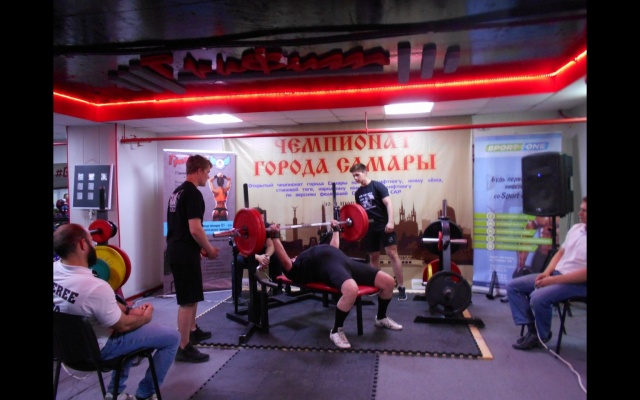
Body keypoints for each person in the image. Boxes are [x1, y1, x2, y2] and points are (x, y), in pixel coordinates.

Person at [54, 223, 180, 400]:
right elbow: (123, 326)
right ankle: (145, 394)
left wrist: (128, 310)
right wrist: (144, 318)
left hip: (63, 350)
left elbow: (100, 304)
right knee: (172, 338)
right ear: (82, 245)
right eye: (91, 242)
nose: (94, 247)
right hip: (97, 352)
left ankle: (115, 393)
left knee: (131, 329)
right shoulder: (95, 287)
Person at [268, 219, 403, 349]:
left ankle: (381, 317)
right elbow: (285, 261)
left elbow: (334, 248)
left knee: (388, 282)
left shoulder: (306, 255)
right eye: (291, 258)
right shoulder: (296, 270)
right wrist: (275, 236)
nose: (293, 257)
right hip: (331, 267)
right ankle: (336, 331)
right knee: (351, 289)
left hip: (344, 261)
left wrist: (336, 230)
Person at [506, 196, 587, 350]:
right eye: (581, 209)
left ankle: (542, 335)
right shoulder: (576, 229)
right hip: (557, 274)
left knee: (538, 297)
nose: (580, 213)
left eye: (584, 210)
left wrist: (553, 281)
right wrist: (547, 273)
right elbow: (560, 253)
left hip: (578, 283)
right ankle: (533, 330)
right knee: (513, 286)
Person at [166, 154, 221, 363]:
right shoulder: (193, 194)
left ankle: (192, 330)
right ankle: (183, 346)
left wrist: (197, 249)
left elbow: (179, 226)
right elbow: (195, 229)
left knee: (193, 294)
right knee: (187, 301)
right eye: (207, 172)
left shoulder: (177, 192)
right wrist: (209, 249)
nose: (208, 176)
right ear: (198, 170)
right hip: (183, 253)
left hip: (180, 249)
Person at [349, 163, 406, 301]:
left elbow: (388, 204)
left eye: (357, 175)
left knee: (392, 254)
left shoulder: (378, 186)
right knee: (373, 257)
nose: (355, 178)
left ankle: (401, 287)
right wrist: (359, 230)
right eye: (353, 176)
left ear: (365, 172)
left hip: (384, 225)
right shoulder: (358, 193)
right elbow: (360, 214)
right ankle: (378, 286)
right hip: (369, 228)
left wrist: (390, 222)